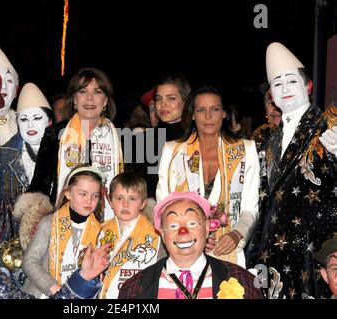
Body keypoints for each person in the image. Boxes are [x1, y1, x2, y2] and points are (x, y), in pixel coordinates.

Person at [246, 42, 337, 299]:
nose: (284, 89)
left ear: (307, 86)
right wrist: (252, 254)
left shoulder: (330, 123)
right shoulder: (267, 141)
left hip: (317, 254)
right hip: (273, 257)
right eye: (277, 84)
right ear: (271, 96)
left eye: (291, 82)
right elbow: (262, 202)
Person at [157, 85, 260, 267]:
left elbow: (250, 209)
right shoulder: (172, 150)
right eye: (201, 110)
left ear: (224, 113)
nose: (208, 116)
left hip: (228, 251)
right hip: (182, 248)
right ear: (193, 114)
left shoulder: (246, 150)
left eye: (214, 109)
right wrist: (195, 236)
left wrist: (237, 234)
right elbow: (163, 207)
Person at [118, 192, 263, 299]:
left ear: (207, 228)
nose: (183, 231)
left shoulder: (243, 281)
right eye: (173, 225)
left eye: (192, 223)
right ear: (162, 233)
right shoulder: (133, 289)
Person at [0, 83, 53, 286]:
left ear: (49, 121)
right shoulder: (1, 158)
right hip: (10, 258)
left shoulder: (65, 157)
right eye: (24, 119)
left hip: (52, 255)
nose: (30, 125)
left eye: (37, 118)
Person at [28, 67, 123, 220]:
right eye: (83, 91)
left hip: (108, 221)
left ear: (105, 101)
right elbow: (40, 185)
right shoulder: (55, 134)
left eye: (97, 92)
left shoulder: (119, 138)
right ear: (74, 99)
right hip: (61, 220)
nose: (90, 98)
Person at [22, 165, 105, 298]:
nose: (89, 201)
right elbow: (29, 261)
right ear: (68, 194)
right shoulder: (49, 223)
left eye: (95, 196)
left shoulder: (100, 231)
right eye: (83, 194)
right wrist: (54, 288)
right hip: (44, 294)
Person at [124, 73, 191, 200]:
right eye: (159, 99)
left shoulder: (198, 139)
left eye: (171, 98)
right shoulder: (140, 142)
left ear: (185, 101)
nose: (163, 104)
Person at [96, 172, 162, 298]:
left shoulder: (156, 235)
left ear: (143, 203)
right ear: (110, 201)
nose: (125, 204)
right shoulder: (99, 231)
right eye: (119, 198)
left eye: (132, 199)